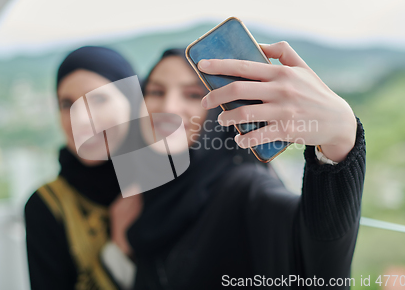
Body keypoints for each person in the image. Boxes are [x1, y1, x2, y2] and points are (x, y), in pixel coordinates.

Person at [126, 43, 366, 289]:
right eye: (156, 92)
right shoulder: (150, 186)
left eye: (193, 95)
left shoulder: (244, 187)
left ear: (225, 106)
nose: (168, 108)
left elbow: (321, 263)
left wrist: (341, 139)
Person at [24, 46, 142, 290]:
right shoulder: (48, 206)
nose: (81, 119)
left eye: (98, 99)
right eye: (67, 104)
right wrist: (119, 246)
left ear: (133, 101)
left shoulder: (169, 181)